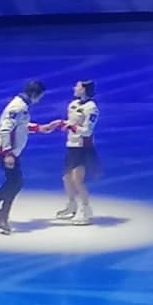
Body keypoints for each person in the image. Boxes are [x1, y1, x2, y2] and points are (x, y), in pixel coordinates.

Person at [0, 80, 59, 235]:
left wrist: (39, 128)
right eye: (40, 97)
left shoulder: (22, 106)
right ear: (35, 94)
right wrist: (8, 153)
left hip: (9, 151)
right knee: (16, 183)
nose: (40, 100)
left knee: (12, 182)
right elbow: (5, 130)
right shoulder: (18, 107)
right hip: (6, 151)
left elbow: (21, 126)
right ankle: (1, 220)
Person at [55, 80, 99, 225]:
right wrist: (63, 124)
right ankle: (71, 205)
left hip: (83, 147)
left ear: (84, 89)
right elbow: (70, 123)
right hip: (71, 145)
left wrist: (71, 127)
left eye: (78, 86)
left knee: (77, 180)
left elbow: (87, 131)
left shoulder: (91, 108)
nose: (74, 88)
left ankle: (86, 210)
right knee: (66, 178)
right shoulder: (72, 104)